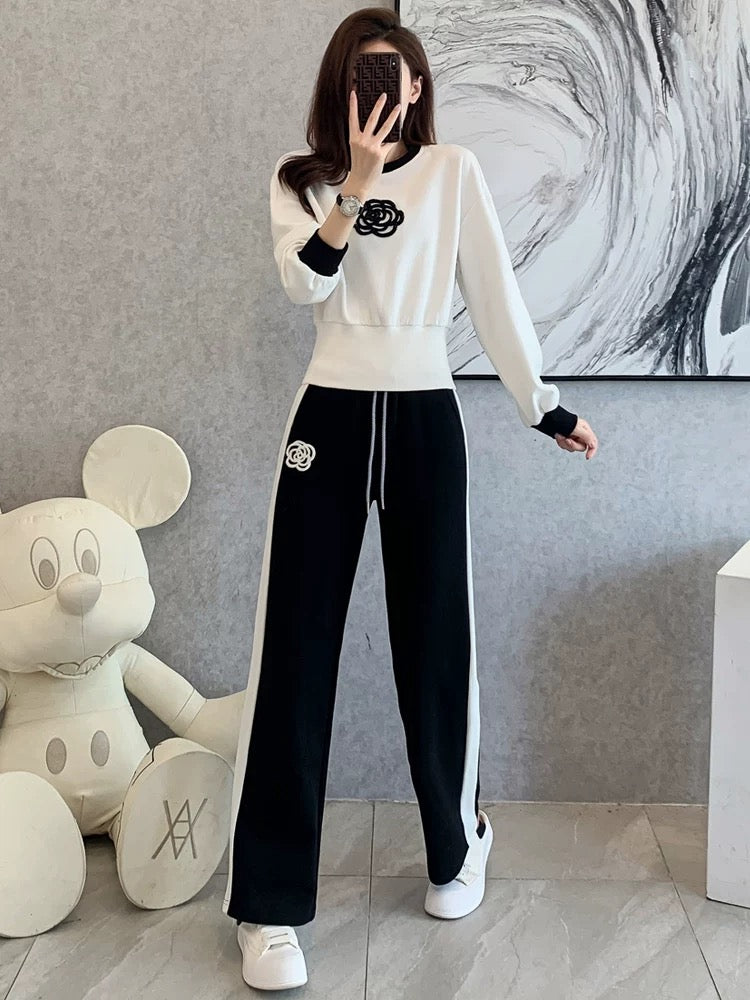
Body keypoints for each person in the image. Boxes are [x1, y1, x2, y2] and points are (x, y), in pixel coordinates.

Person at [223, 6, 599, 991]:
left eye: (394, 74)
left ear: (420, 86)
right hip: (329, 415)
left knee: (437, 642)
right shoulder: (297, 178)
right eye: (362, 74)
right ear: (337, 84)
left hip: (428, 415)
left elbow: (494, 293)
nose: (380, 90)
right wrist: (352, 182)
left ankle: (456, 845)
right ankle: (267, 906)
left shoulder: (453, 173)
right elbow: (305, 287)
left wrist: (544, 406)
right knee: (294, 650)